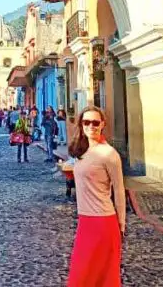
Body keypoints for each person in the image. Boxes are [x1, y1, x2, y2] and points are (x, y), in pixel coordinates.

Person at [66, 106, 126, 287]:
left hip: (103, 222)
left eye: (95, 122)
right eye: (86, 122)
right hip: (85, 220)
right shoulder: (82, 151)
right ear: (81, 124)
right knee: (83, 276)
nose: (91, 126)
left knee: (99, 277)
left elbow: (119, 191)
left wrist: (121, 225)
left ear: (102, 125)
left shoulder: (109, 154)